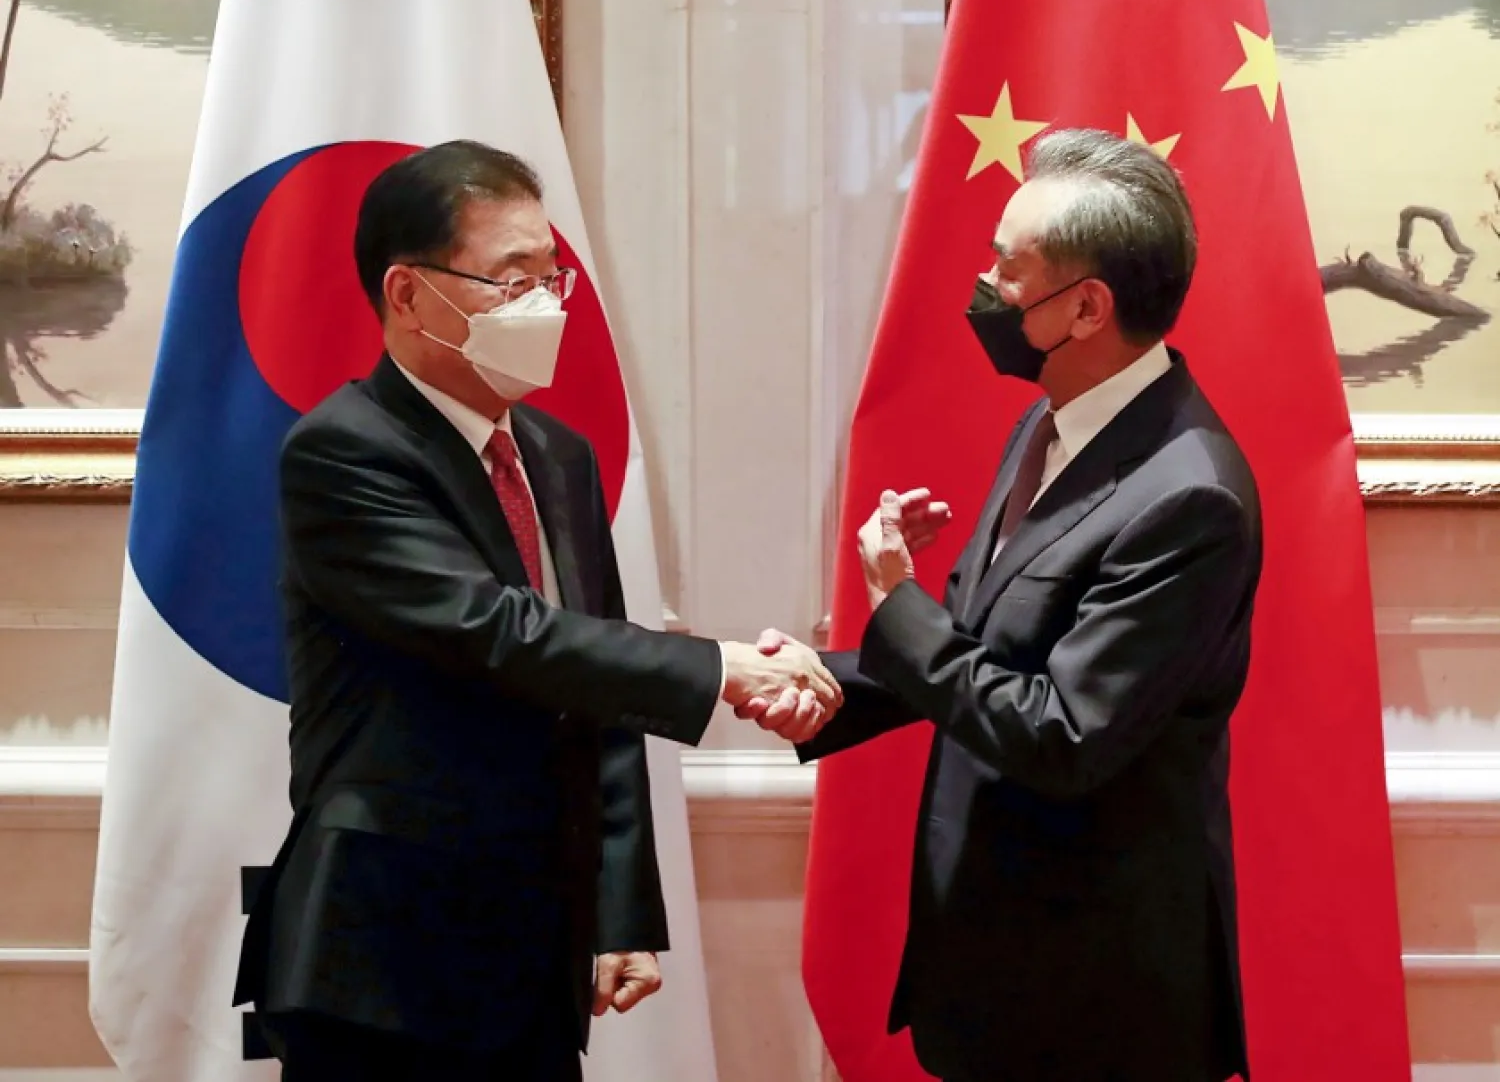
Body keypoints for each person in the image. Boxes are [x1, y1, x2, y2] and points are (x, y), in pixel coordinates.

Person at [233, 140, 839, 1082]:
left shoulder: (556, 454)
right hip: (386, 953)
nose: (545, 305)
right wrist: (726, 668)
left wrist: (618, 910)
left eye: (551, 277)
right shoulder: (346, 453)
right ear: (408, 294)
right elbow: (503, 635)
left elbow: (589, 684)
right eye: (511, 279)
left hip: (531, 951)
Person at [755, 128, 1262, 1082]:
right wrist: (817, 685)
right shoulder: (1053, 419)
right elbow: (989, 653)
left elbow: (1061, 734)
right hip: (996, 970)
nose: (985, 283)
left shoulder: (1190, 496)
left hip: (1095, 1001)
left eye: (1007, 265)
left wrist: (893, 599)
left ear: (1085, 307)